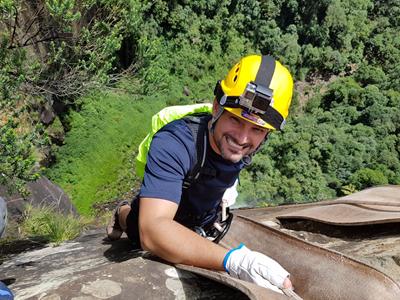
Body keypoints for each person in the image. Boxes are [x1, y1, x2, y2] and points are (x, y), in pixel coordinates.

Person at [107, 54, 294, 293]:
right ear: (217, 107)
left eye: (257, 129)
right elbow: (152, 231)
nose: (242, 138)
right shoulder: (174, 143)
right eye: (236, 120)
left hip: (203, 216)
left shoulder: (242, 144)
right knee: (135, 225)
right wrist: (234, 262)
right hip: (166, 217)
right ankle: (121, 212)